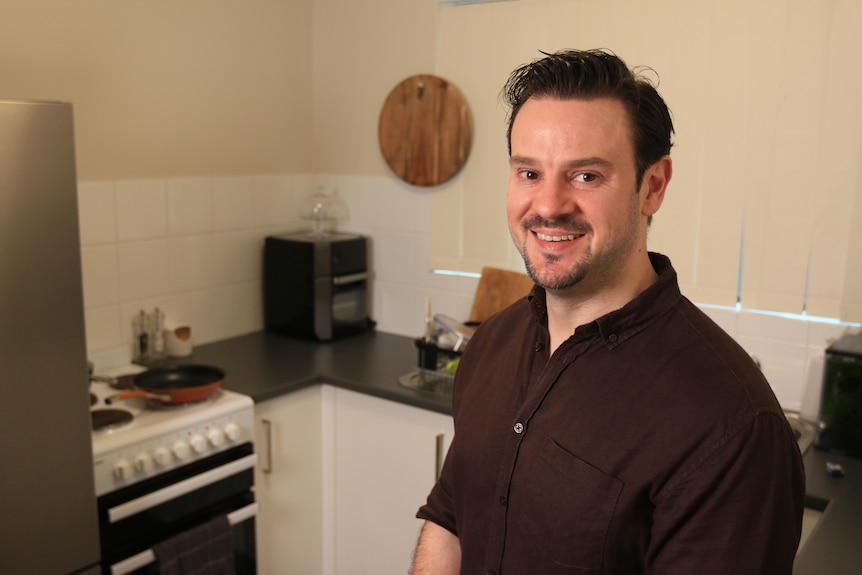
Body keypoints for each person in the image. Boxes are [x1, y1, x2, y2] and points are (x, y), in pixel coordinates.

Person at [410, 49, 805, 575]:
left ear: (654, 186)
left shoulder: (731, 426)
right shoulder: (492, 344)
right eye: (529, 172)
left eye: (586, 177)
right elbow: (451, 518)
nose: (548, 205)